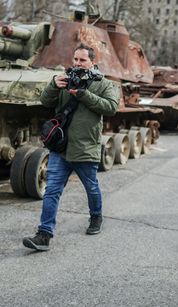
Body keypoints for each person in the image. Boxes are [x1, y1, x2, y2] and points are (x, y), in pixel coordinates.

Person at [23, 43, 120, 251]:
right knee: (52, 191)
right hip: (61, 148)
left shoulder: (104, 84)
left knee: (91, 187)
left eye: (82, 60)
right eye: (75, 59)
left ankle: (96, 217)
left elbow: (111, 108)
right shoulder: (64, 79)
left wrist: (83, 94)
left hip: (85, 148)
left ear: (93, 62)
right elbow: (45, 101)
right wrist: (53, 85)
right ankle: (44, 235)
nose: (77, 63)